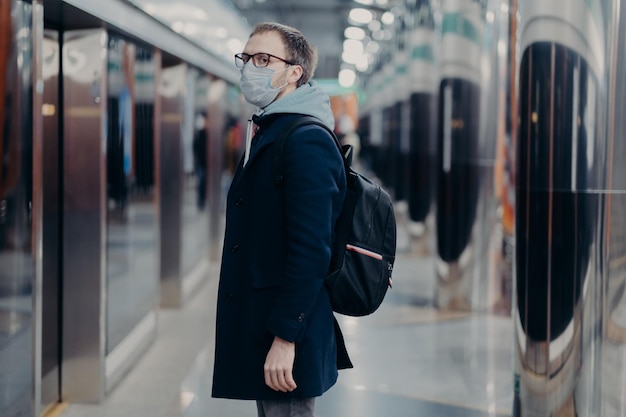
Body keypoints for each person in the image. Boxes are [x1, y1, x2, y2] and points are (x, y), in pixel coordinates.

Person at [211, 22, 352, 417]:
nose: (248, 68)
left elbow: (311, 249)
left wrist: (286, 337)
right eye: (246, 58)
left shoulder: (304, 139)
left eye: (262, 59)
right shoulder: (271, 129)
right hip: (266, 321)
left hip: (287, 329)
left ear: (295, 72)